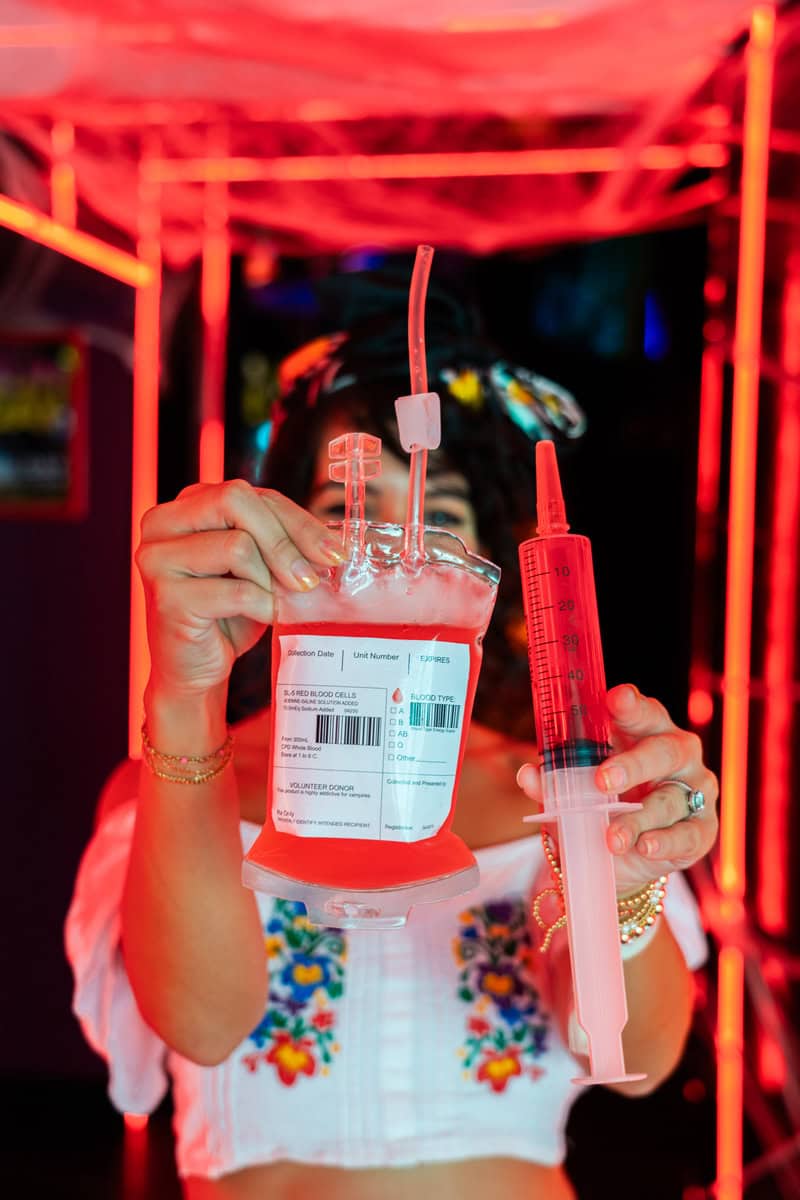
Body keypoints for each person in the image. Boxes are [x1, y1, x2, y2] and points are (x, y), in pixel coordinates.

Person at [66, 272, 718, 1200]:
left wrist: (620, 871)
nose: (380, 548)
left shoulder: (558, 781)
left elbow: (640, 1059)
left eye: (432, 523)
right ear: (271, 552)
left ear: (487, 580)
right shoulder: (175, 778)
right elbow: (204, 1024)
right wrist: (180, 693)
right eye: (340, 518)